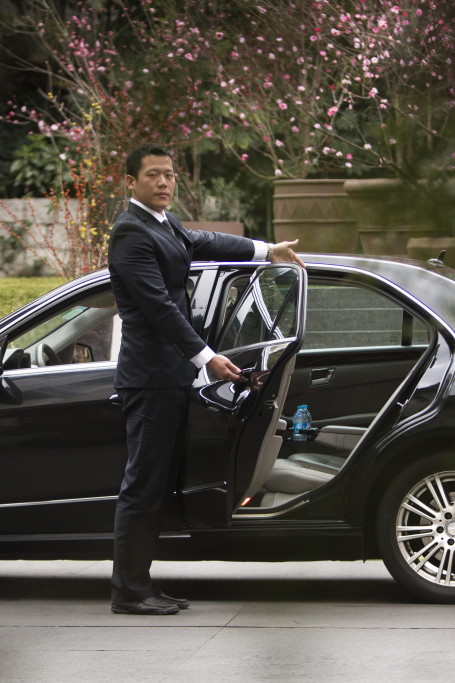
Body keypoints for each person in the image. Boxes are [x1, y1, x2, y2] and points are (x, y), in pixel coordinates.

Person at [107, 142, 303, 615]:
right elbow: (159, 310)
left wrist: (265, 249)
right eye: (152, 175)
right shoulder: (130, 234)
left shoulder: (164, 223)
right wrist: (206, 358)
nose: (163, 182)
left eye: (169, 175)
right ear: (130, 182)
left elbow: (206, 242)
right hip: (150, 379)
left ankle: (141, 585)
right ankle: (129, 592)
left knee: (157, 485)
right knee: (144, 485)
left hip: (169, 378)